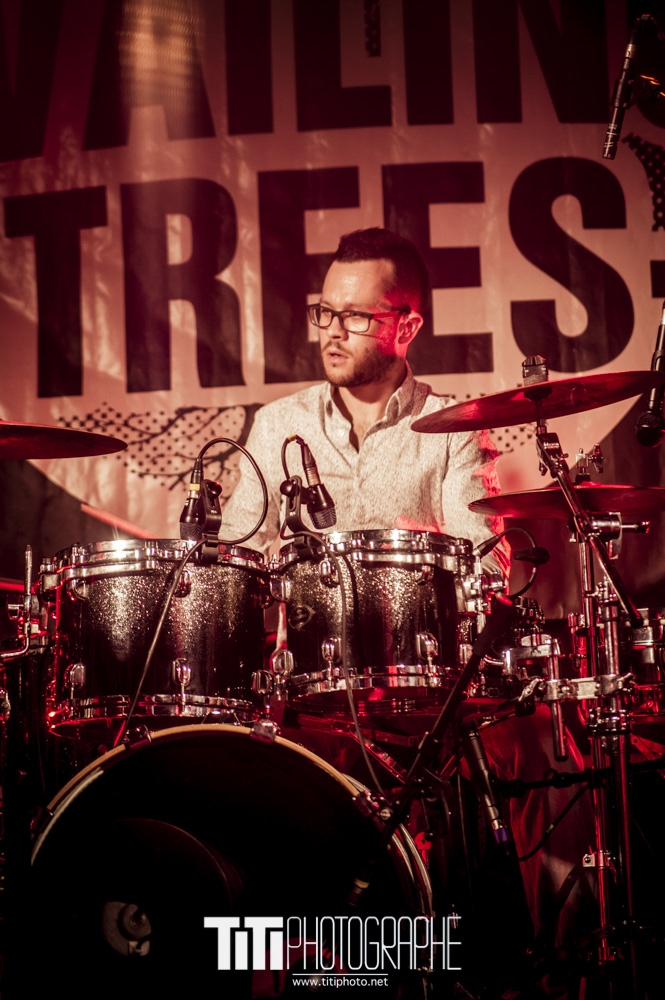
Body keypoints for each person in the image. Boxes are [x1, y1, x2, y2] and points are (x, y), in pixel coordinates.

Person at [220, 228, 594, 991]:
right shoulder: (278, 424)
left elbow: (483, 558)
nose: (331, 331)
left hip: (428, 686)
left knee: (538, 748)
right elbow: (237, 559)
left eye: (355, 316)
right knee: (240, 772)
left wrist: (409, 555)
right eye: (325, 312)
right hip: (309, 686)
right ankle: (290, 973)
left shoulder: (450, 427)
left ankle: (537, 968)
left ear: (407, 325)